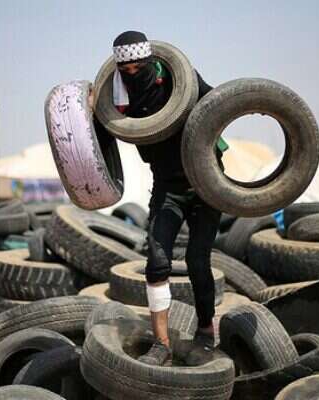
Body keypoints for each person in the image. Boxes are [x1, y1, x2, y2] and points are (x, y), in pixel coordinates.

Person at [108, 31, 228, 366]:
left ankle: (206, 329)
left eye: (138, 68)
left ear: (149, 61)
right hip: (167, 184)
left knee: (197, 261)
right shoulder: (117, 97)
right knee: (157, 262)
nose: (133, 74)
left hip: (206, 180)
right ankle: (161, 344)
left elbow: (222, 104)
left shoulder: (180, 77)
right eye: (125, 70)